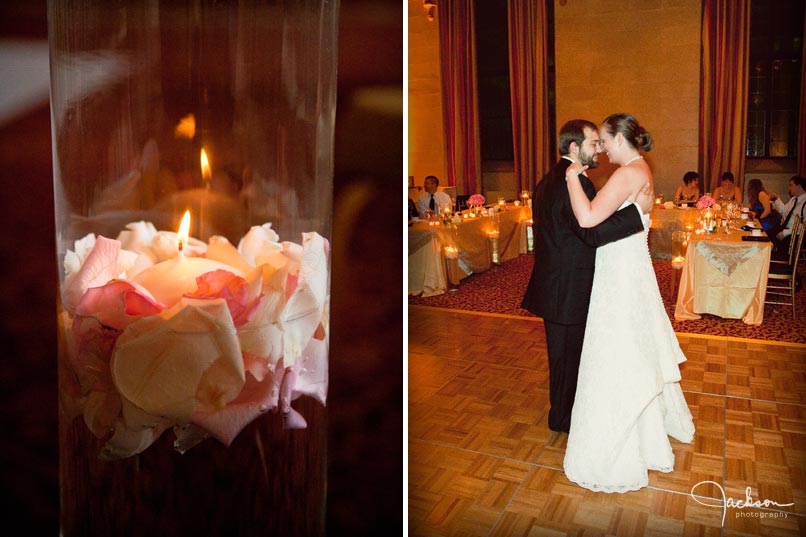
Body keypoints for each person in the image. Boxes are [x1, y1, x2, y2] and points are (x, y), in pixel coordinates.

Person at [562, 113, 695, 493]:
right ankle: (645, 430)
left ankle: (617, 439)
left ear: (619, 138)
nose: (601, 148)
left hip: (620, 275)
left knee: (616, 351)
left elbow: (587, 218)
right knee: (632, 349)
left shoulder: (626, 175)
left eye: (603, 140)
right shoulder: (642, 171)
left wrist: (572, 176)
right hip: (631, 269)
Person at [520, 119, 648, 434]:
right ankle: (562, 421)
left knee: (566, 357)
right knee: (566, 360)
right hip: (567, 288)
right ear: (574, 148)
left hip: (557, 283)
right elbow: (589, 235)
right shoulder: (573, 182)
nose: (600, 151)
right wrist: (637, 215)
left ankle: (565, 413)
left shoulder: (549, 179)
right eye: (593, 144)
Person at [769, 175, 806, 254]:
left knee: (769, 238)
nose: (789, 188)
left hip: (794, 235)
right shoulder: (793, 199)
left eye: (791, 185)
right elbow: (784, 211)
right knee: (765, 232)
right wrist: (776, 199)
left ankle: (776, 258)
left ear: (798, 186)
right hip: (784, 228)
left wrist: (785, 233)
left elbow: (803, 226)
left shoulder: (805, 204)